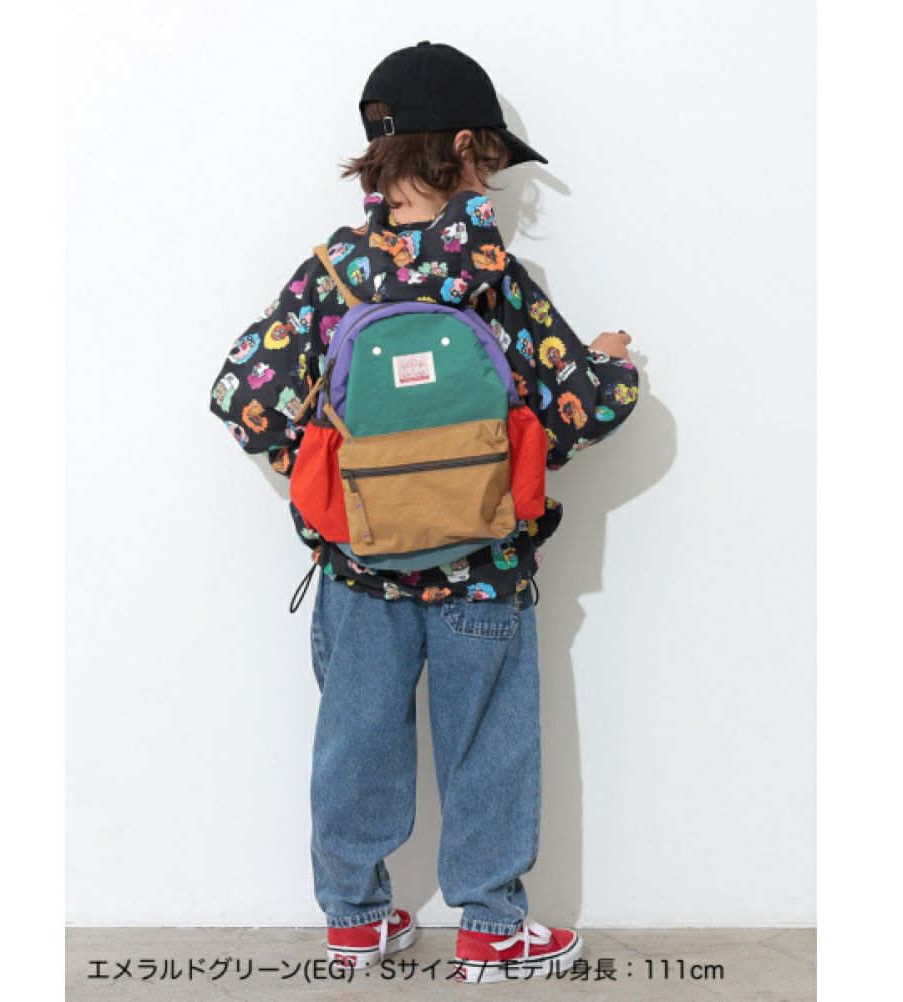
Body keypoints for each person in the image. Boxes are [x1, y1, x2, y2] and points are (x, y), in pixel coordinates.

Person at [208, 40, 639, 984]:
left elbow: (243, 399)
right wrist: (613, 363)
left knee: (356, 743)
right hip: (485, 568)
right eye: (493, 158)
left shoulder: (332, 275)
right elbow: (581, 410)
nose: (498, 179)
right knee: (489, 746)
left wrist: (344, 473)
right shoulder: (496, 278)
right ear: (466, 149)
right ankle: (491, 929)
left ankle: (356, 922)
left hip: (362, 569)